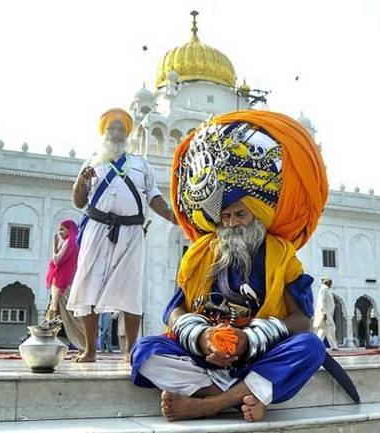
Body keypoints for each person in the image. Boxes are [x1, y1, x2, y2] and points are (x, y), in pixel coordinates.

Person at [131, 110, 332, 422]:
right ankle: (235, 399)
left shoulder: (279, 253)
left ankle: (205, 405)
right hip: (205, 353)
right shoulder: (200, 253)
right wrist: (203, 337)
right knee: (145, 351)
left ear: (256, 214)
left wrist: (248, 339)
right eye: (225, 216)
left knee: (310, 347)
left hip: (257, 353)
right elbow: (174, 311)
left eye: (240, 214)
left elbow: (301, 321)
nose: (232, 223)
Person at [67, 108, 176, 362]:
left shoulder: (140, 164)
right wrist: (80, 182)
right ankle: (90, 350)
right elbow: (78, 201)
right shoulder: (93, 162)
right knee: (89, 287)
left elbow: (154, 198)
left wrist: (173, 217)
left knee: (130, 290)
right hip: (97, 230)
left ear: (127, 135)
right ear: (104, 134)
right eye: (110, 130)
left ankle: (129, 351)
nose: (115, 134)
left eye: (120, 130)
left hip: (131, 232)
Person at [44, 219, 85, 351]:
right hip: (63, 284)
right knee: (54, 313)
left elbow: (56, 261)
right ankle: (46, 341)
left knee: (70, 317)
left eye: (62, 229)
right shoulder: (72, 243)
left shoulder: (70, 243)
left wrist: (54, 247)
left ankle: (84, 345)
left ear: (70, 229)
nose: (60, 232)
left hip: (63, 285)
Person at [313, 277, 338, 349]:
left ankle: (316, 345)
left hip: (328, 313)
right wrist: (324, 313)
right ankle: (334, 346)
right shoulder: (323, 289)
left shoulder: (326, 289)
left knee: (323, 331)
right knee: (331, 328)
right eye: (330, 282)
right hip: (326, 313)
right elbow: (322, 302)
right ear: (326, 282)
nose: (331, 284)